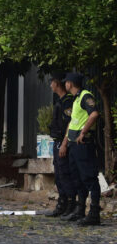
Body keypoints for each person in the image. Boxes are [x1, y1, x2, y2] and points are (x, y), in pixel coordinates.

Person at [58, 72, 101, 225]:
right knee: (78, 179)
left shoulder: (85, 96)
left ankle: (94, 213)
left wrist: (83, 132)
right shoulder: (76, 99)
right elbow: (72, 123)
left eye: (66, 82)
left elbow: (94, 114)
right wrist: (65, 142)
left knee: (89, 178)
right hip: (73, 145)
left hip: (83, 144)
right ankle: (80, 210)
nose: (65, 84)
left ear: (70, 83)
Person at [44, 74, 78, 217]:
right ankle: (62, 203)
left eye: (51, 83)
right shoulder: (61, 101)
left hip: (64, 142)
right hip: (57, 140)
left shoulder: (68, 101)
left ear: (55, 83)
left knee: (64, 173)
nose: (50, 86)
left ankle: (71, 204)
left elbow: (69, 124)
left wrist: (64, 143)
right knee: (58, 174)